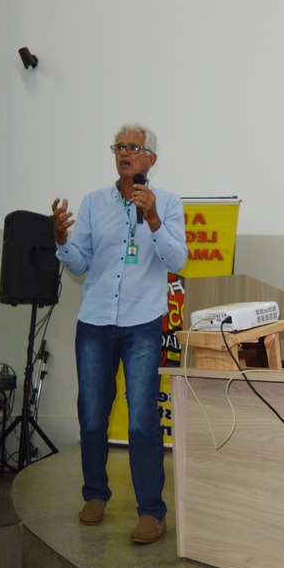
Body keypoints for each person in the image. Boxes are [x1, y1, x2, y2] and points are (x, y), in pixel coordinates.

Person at [52, 123, 187, 544]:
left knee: (143, 419)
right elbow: (79, 264)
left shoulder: (167, 203)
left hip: (142, 323)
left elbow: (177, 259)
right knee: (92, 414)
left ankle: (151, 512)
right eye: (119, 147)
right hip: (94, 322)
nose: (125, 153)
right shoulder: (94, 203)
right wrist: (61, 240)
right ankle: (95, 494)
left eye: (134, 147)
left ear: (151, 159)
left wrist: (152, 219)